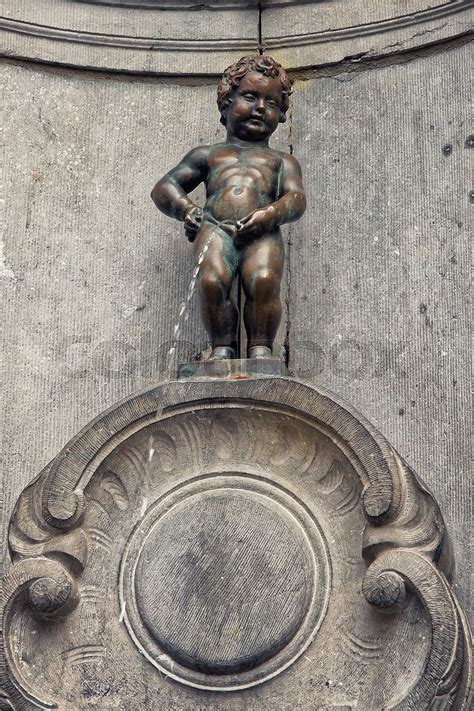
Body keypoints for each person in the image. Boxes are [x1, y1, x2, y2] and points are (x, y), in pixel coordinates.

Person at [151, 55, 306, 360]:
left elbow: (296, 199)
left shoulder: (281, 161)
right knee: (212, 281)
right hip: (215, 228)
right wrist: (186, 209)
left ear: (282, 114)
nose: (261, 107)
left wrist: (269, 215)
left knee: (263, 281)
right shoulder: (209, 155)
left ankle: (261, 346)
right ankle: (222, 346)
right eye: (250, 96)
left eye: (272, 103)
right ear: (226, 102)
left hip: (263, 231)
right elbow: (164, 187)